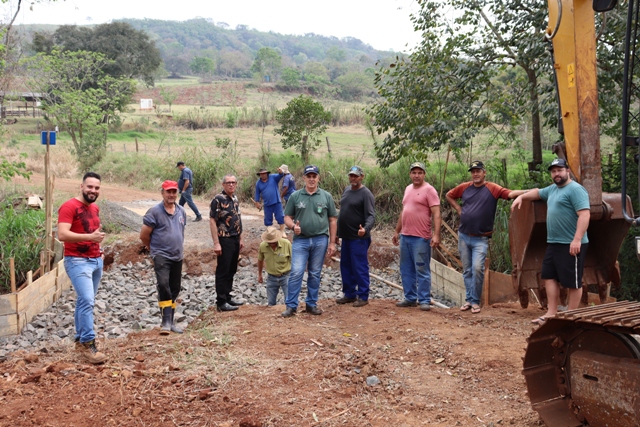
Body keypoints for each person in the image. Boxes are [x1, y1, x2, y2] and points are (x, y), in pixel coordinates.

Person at [511, 158, 590, 325]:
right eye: (553, 171)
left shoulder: (576, 190)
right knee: (548, 276)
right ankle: (551, 313)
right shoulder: (553, 189)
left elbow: (584, 215)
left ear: (567, 171)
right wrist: (522, 198)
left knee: (573, 281)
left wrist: (576, 239)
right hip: (554, 243)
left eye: (559, 170)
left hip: (572, 243)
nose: (557, 174)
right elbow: (538, 192)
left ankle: (570, 317)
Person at [446, 161, 527, 314]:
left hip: (480, 238)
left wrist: (530, 192)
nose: (475, 174)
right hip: (463, 235)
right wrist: (458, 208)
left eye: (478, 171)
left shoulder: (492, 188)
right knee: (467, 270)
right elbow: (449, 195)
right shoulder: (465, 187)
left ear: (484, 172)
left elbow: (509, 194)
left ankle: (476, 301)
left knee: (477, 269)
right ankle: (469, 300)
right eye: (473, 171)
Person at [57, 172, 107, 364]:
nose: (93, 191)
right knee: (87, 300)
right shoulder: (69, 206)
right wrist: (89, 239)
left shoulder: (94, 208)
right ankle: (89, 344)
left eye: (96, 188)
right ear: (81, 186)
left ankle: (79, 339)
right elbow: (62, 234)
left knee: (84, 300)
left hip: (95, 260)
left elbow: (94, 232)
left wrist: (99, 249)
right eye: (90, 187)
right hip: (77, 260)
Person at [282, 165, 338, 317]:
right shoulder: (296, 196)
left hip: (321, 239)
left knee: (314, 273)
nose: (312, 179)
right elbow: (287, 217)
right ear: (304, 178)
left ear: (319, 178)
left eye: (315, 176)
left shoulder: (326, 196)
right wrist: (293, 227)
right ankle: (291, 306)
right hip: (301, 240)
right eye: (309, 176)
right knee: (296, 272)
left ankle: (311, 304)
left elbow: (333, 220)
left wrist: (332, 243)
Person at [392, 162, 441, 311]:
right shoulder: (408, 189)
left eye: (420, 172)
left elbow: (436, 213)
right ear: (410, 174)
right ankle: (410, 298)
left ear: (424, 174)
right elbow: (404, 211)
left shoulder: (429, 190)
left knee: (422, 269)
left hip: (421, 238)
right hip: (405, 236)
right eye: (414, 172)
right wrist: (397, 231)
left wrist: (436, 235)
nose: (416, 175)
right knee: (406, 269)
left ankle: (425, 299)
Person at [140, 180, 187, 335]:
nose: (171, 195)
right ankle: (165, 322)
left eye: (174, 192)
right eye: (168, 192)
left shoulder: (181, 211)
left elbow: (180, 232)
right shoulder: (154, 212)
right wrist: (153, 249)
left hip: (177, 255)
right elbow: (144, 235)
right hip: (161, 254)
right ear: (162, 193)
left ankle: (171, 321)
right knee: (163, 284)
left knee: (175, 287)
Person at [335, 166, 375, 307]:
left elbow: (371, 215)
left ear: (362, 177)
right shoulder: (347, 190)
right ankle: (349, 294)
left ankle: (363, 296)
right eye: (351, 175)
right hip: (346, 237)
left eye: (356, 176)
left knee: (359, 266)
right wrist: (337, 233)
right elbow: (342, 213)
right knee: (345, 265)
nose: (353, 178)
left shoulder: (366, 194)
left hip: (359, 238)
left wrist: (365, 228)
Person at [210, 174, 245, 312]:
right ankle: (221, 301)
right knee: (223, 270)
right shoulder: (218, 199)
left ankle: (227, 296)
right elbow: (212, 220)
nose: (231, 185)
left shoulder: (235, 199)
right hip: (224, 238)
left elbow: (238, 219)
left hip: (235, 237)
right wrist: (216, 243)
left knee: (232, 269)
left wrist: (241, 238)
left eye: (233, 182)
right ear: (223, 184)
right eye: (228, 182)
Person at [257, 226, 292, 306]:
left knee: (289, 301)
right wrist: (259, 275)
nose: (272, 244)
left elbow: (293, 259)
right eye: (270, 242)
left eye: (274, 242)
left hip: (286, 276)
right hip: (271, 277)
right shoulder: (262, 246)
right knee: (271, 303)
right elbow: (260, 260)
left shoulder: (286, 244)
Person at [254, 167, 285, 232]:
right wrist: (257, 202)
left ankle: (282, 232)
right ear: (259, 175)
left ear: (267, 173)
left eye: (264, 173)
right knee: (268, 220)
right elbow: (257, 193)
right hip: (267, 203)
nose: (263, 175)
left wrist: (280, 172)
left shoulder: (273, 177)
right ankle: (270, 233)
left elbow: (281, 175)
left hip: (276, 201)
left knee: (280, 217)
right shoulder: (258, 183)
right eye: (261, 174)